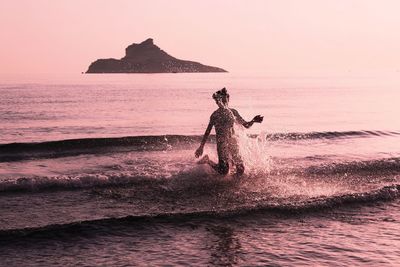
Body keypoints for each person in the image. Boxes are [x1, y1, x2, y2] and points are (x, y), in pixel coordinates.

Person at [195, 88, 263, 175]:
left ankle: (234, 185)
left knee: (241, 169)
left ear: (228, 98)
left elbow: (246, 125)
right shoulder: (215, 115)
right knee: (223, 171)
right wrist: (201, 147)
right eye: (220, 100)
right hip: (221, 143)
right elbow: (207, 131)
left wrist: (253, 120)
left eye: (225, 98)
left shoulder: (233, 112)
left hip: (233, 141)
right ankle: (207, 160)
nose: (223, 101)